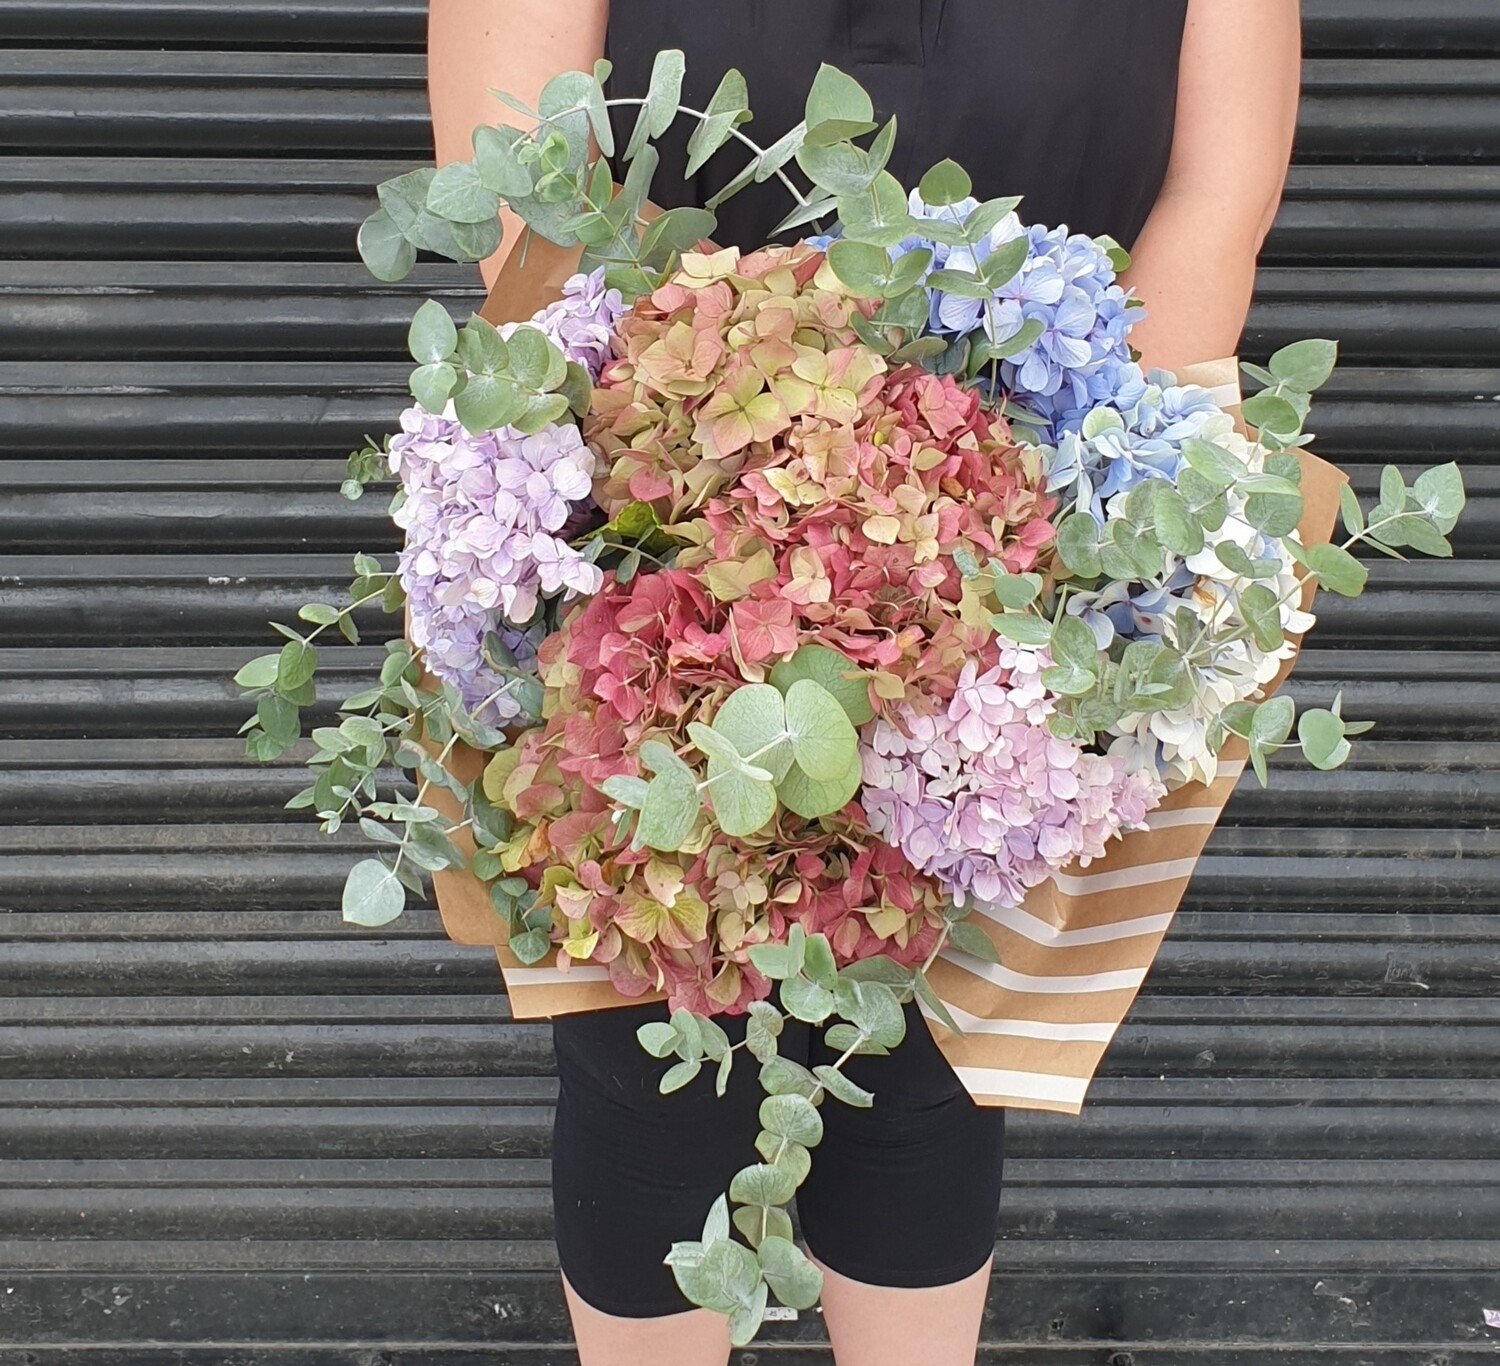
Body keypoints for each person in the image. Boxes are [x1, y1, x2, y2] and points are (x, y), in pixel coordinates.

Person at [427, 3, 1302, 1363]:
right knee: (647, 1051)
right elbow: (526, 201)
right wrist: (752, 496)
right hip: (655, 519)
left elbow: (1212, 204)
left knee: (932, 1057)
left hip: (1029, 547)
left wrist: (1048, 531)